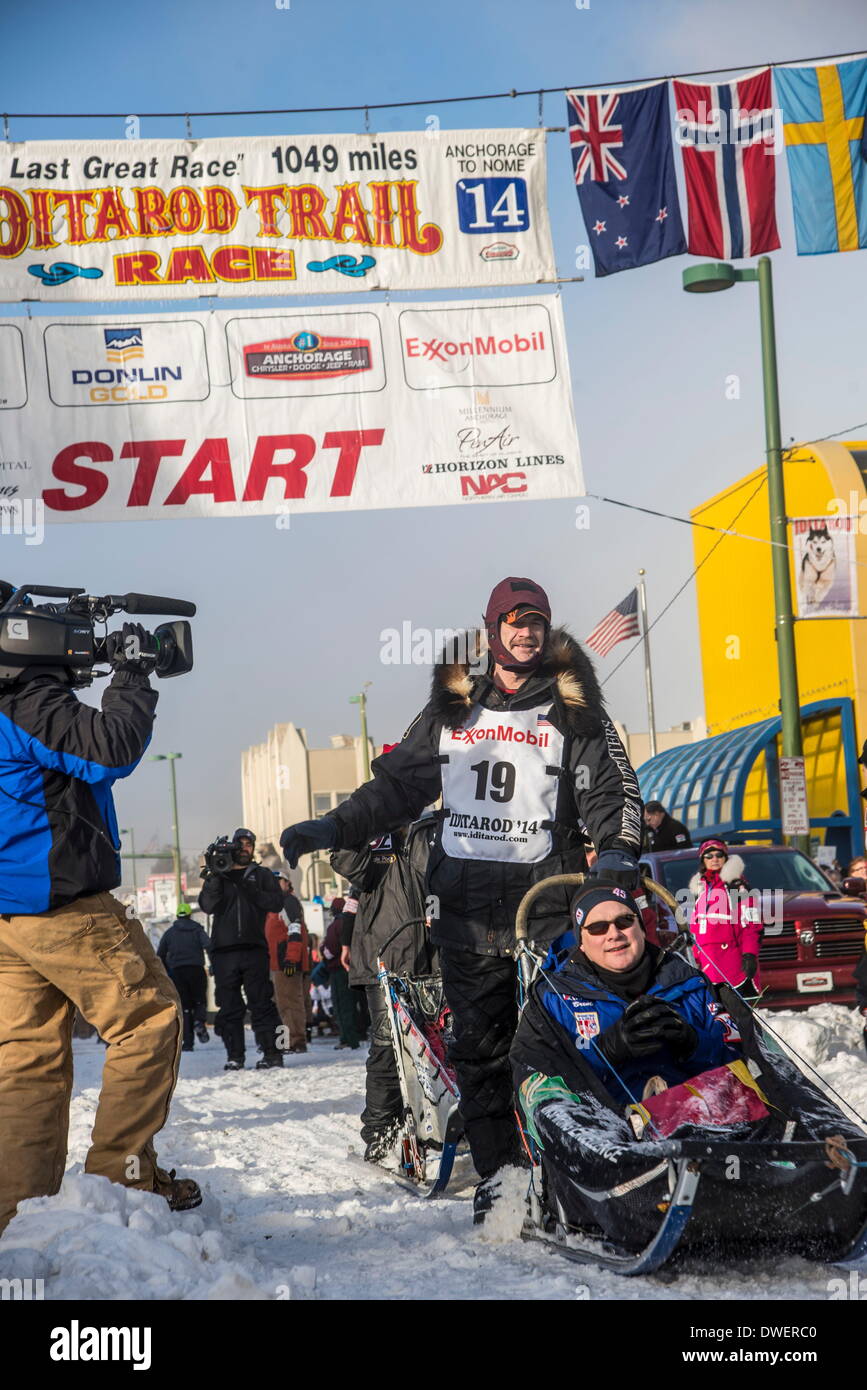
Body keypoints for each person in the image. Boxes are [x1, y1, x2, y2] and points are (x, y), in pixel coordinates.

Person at [281, 577, 643, 1220]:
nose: (525, 631)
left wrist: (615, 855)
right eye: (514, 620)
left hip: (546, 910)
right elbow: (394, 790)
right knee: (480, 1053)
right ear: (492, 629)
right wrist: (331, 828)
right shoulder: (453, 709)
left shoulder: (572, 708)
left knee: (563, 1043)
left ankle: (577, 1167)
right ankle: (503, 1179)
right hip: (466, 915)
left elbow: (609, 796)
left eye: (536, 621)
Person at [0, 618, 200, 1233]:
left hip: (8, 917)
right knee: (149, 1019)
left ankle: (19, 1213)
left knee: (26, 1061)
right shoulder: (26, 703)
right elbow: (110, 747)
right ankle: (121, 1180)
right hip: (61, 907)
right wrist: (132, 672)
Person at [332, 817, 437, 1162]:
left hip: (436, 958)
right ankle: (380, 1130)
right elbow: (347, 863)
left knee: (439, 1044)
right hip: (384, 957)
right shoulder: (375, 835)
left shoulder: (433, 829)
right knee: (387, 1046)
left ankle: (438, 1123)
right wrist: (362, 821)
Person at [199, 828, 285, 1070]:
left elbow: (276, 902)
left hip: (254, 949)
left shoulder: (261, 875)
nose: (245, 848)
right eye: (241, 844)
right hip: (224, 951)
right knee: (229, 1006)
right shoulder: (220, 874)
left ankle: (273, 1053)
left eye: (249, 844)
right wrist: (215, 876)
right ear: (233, 847)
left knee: (262, 1003)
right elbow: (207, 906)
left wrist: (252, 889)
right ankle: (234, 1056)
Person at [688, 838, 762, 999]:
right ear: (703, 860)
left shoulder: (736, 886)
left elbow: (751, 925)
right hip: (707, 965)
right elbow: (696, 928)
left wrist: (749, 954)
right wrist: (694, 956)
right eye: (709, 856)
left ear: (725, 858)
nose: (714, 859)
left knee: (738, 1017)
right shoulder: (701, 889)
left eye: (718, 855)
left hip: (731, 964)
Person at [265, 872, 310, 1054]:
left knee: (290, 1003)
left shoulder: (287, 902)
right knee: (282, 1004)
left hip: (287, 963)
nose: (276, 885)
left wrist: (291, 959)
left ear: (287, 883)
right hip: (278, 963)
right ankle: (286, 1042)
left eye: (279, 881)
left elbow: (296, 930)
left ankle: (296, 1041)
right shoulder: (275, 905)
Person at [157, 903, 212, 1052]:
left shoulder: (170, 933)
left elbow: (160, 954)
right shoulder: (197, 930)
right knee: (200, 1000)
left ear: (177, 916)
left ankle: (188, 1042)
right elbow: (209, 946)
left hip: (177, 973)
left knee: (185, 1007)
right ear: (189, 915)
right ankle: (199, 1022)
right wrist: (213, 965)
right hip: (196, 970)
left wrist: (167, 972)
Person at [322, 897, 359, 1049]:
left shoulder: (335, 926)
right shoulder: (352, 923)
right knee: (351, 1005)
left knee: (341, 1006)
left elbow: (330, 950)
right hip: (353, 969)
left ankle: (347, 1039)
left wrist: (322, 950)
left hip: (338, 970)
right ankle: (354, 1036)